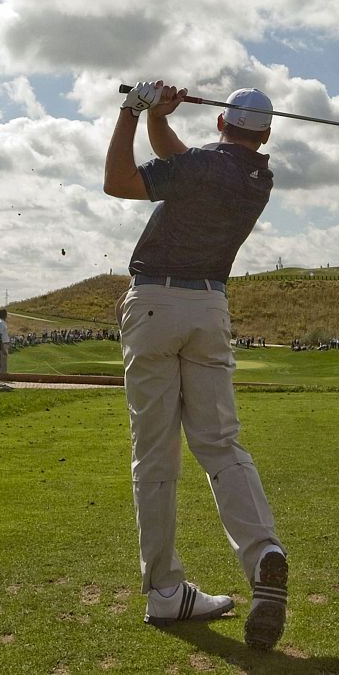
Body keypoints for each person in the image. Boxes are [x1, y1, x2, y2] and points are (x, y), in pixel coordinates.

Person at [104, 80, 288, 648]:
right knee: (221, 443)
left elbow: (118, 182)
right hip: (209, 307)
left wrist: (131, 111)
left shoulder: (202, 166)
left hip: (155, 301)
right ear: (266, 135)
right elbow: (177, 162)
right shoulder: (257, 177)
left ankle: (164, 591)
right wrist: (162, 115)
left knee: (155, 451)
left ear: (220, 124)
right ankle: (264, 556)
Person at [0, 305, 11, 377]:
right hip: (3, 344)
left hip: (5, 343)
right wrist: (2, 347)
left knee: (4, 360)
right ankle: (2, 375)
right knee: (3, 361)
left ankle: (3, 374)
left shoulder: (2, 322)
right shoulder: (0, 323)